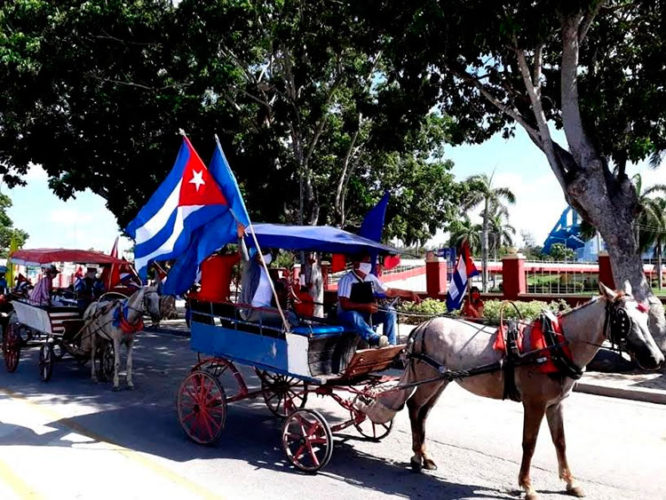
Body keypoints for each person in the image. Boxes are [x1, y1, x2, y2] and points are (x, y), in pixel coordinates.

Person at [337, 253, 420, 347]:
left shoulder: (371, 278)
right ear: (356, 264)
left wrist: (409, 293)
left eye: (369, 261)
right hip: (348, 316)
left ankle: (390, 344)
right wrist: (366, 306)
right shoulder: (346, 279)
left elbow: (390, 292)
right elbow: (344, 304)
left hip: (367, 314)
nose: (369, 264)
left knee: (390, 310)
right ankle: (373, 338)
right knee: (353, 314)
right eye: (366, 261)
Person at [239, 249, 296, 326]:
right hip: (254, 310)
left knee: (293, 313)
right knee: (289, 316)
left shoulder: (264, 270)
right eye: (265, 252)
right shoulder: (251, 268)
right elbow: (244, 255)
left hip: (265, 308)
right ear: (257, 255)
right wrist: (240, 239)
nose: (269, 255)